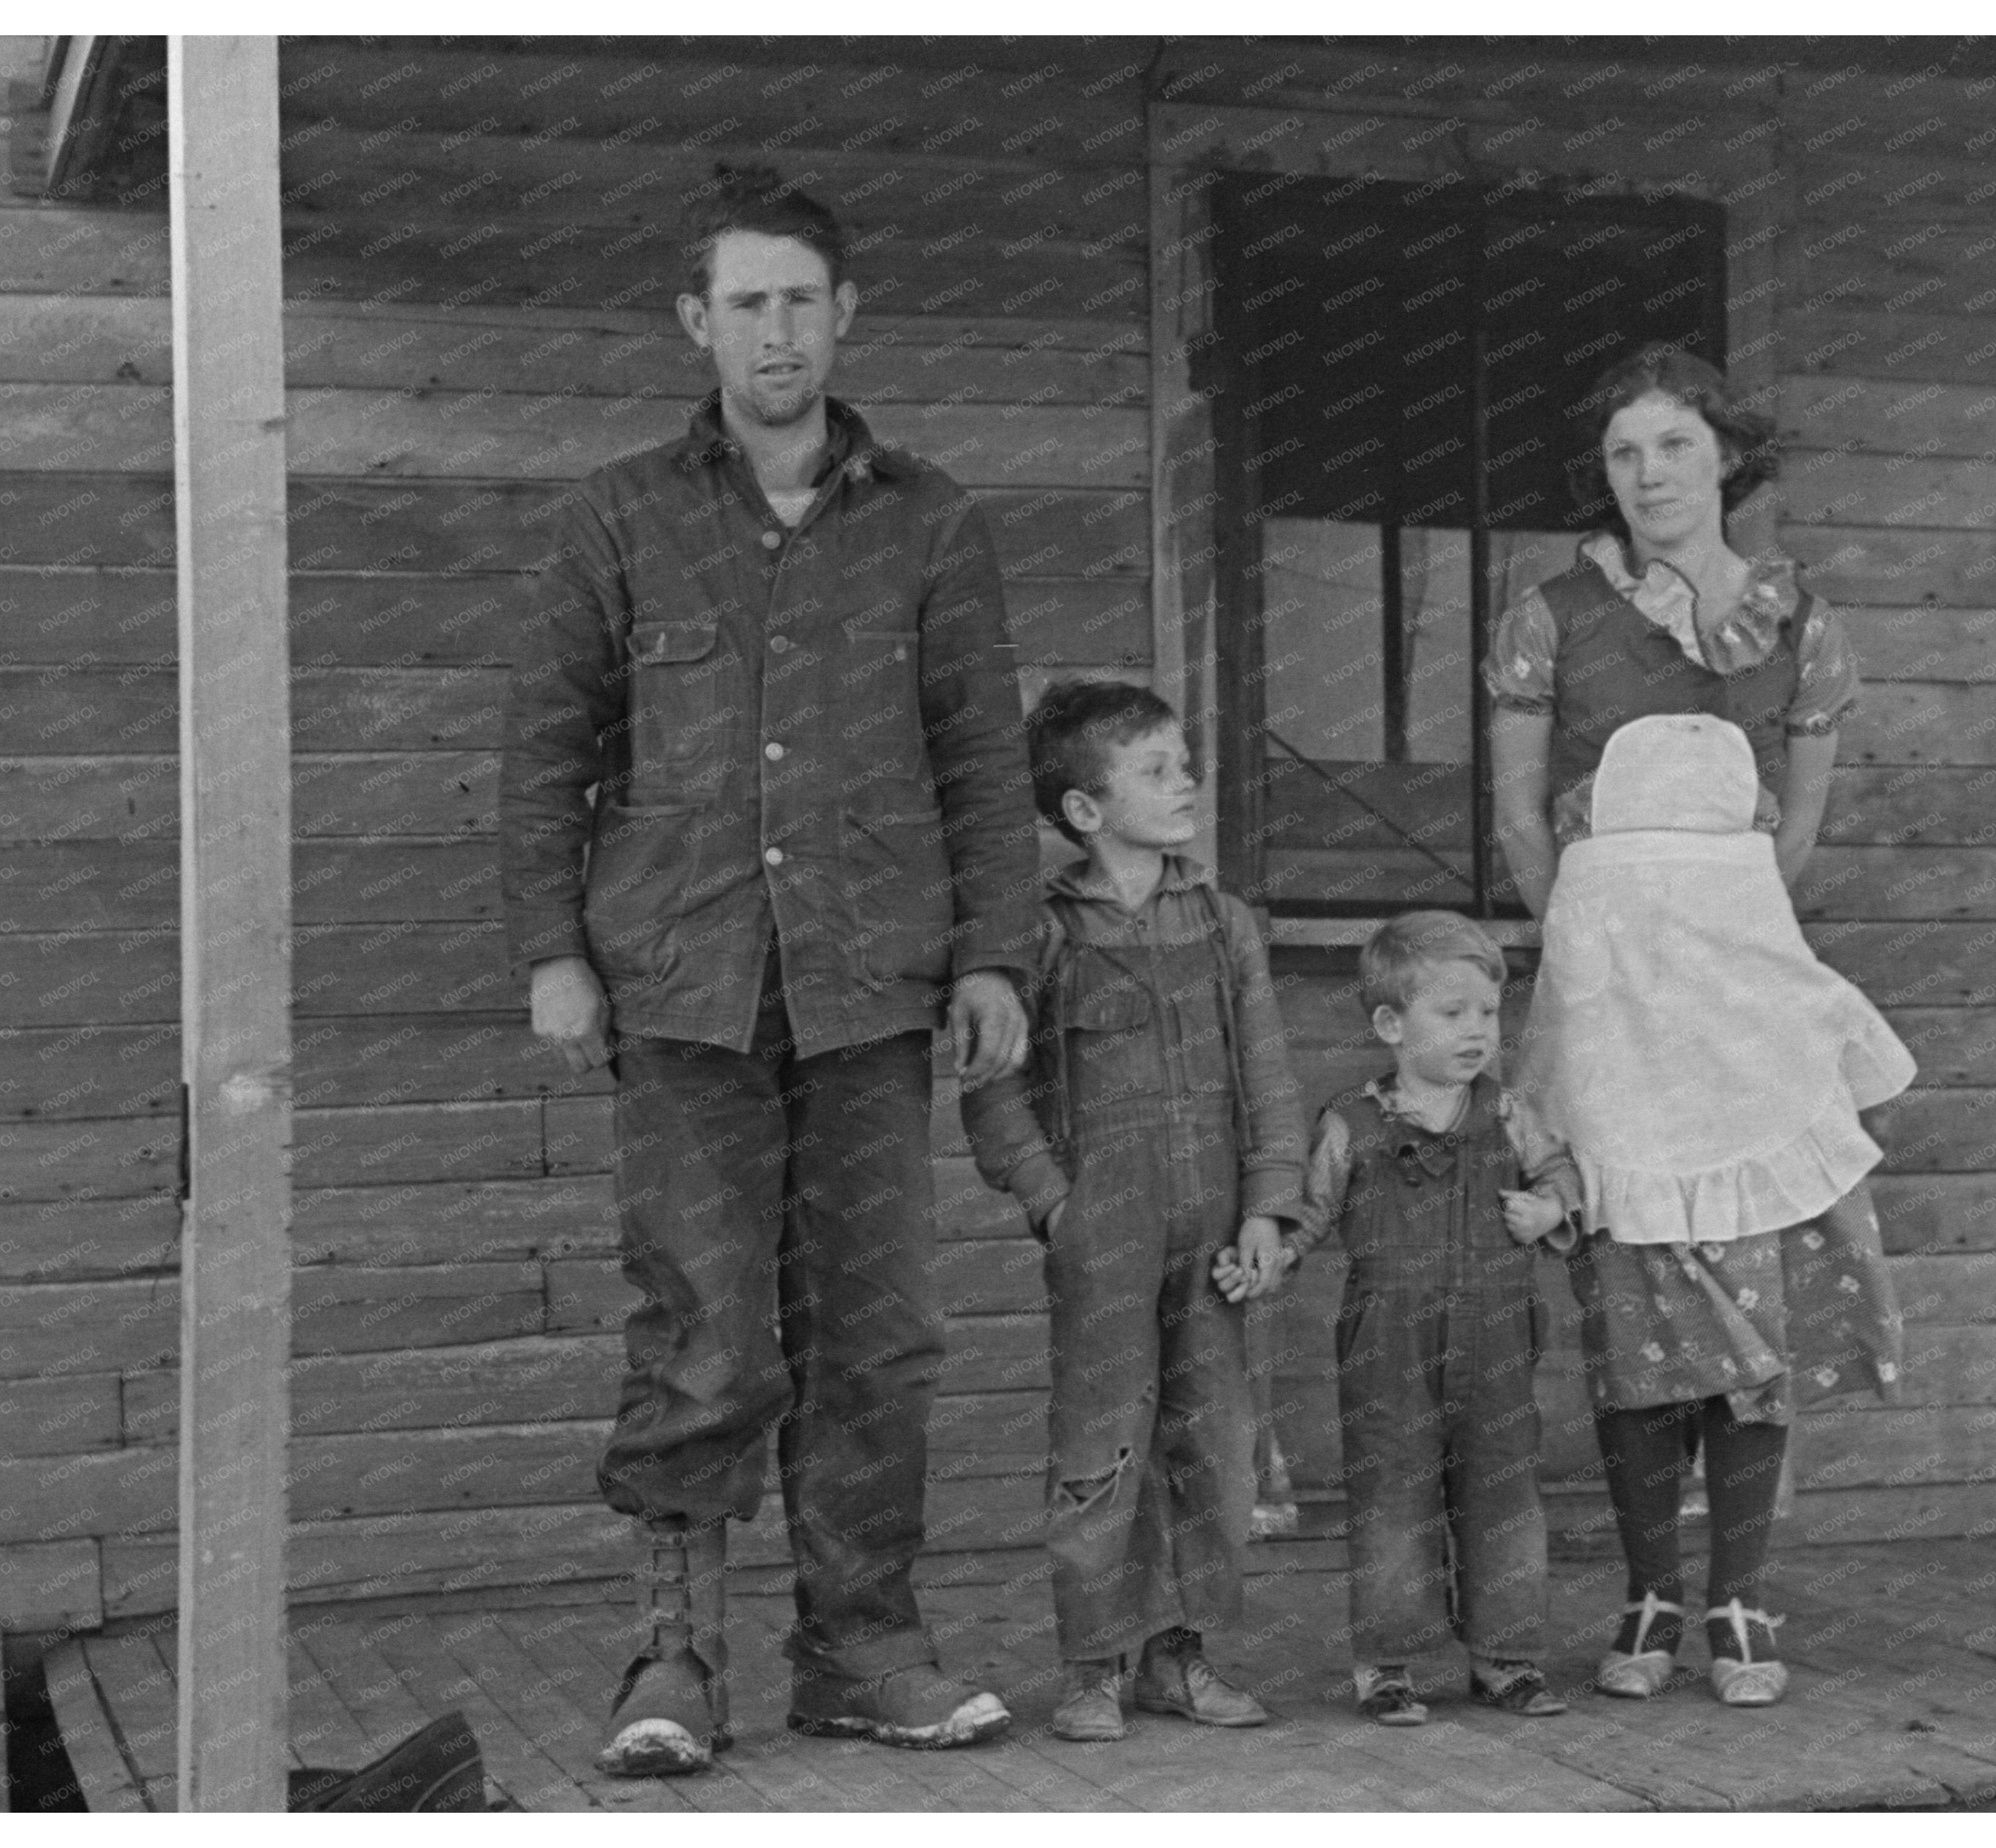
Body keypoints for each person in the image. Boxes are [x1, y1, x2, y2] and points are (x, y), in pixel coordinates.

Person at [500, 167, 1042, 1772]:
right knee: (705, 1325)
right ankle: (674, 1658)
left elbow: (981, 763)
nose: (777, 331)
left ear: (845, 315)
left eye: (802, 299)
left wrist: (995, 954)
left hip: (874, 986)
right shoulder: (620, 515)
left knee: (878, 1334)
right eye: (746, 302)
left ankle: (861, 1645)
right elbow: (546, 753)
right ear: (698, 324)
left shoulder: (929, 521)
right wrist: (551, 950)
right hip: (681, 985)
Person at [1515, 712, 1915, 1706]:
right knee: (1636, 1387)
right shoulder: (1592, 873)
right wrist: (1564, 1133)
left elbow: (1776, 986)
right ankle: (1650, 1591)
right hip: (1625, 1153)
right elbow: (1574, 1009)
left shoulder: (1740, 868)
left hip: (1745, 1156)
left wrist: (1807, 1076)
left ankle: (1738, 1594)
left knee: (1749, 1380)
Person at [959, 679, 1307, 1744]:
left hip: (1212, 1232)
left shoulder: (1223, 923)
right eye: (1154, 769)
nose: (1185, 780)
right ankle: (1088, 1669)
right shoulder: (1037, 934)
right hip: (1101, 1231)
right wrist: (1053, 1205)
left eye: (1183, 761)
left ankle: (1180, 1658)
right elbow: (992, 1087)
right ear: (1082, 811)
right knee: (1099, 1443)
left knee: (1210, 1441)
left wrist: (1268, 1212)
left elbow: (1267, 1075)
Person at [1284, 911, 1583, 1727]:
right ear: (1390, 1025)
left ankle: (1506, 1657)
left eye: (1488, 1013)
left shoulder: (1511, 1113)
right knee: (1391, 1497)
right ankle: (1387, 1664)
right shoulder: (1350, 1123)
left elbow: (1562, 1171)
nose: (1478, 1032)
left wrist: (1548, 1206)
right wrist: (1269, 1254)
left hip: (1496, 1337)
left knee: (1504, 1492)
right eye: (1452, 1015)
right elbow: (1308, 1214)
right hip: (1388, 1343)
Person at [1484, 340, 1861, 911]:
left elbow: (1801, 824)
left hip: (1738, 940)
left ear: (1728, 455)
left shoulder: (1806, 629)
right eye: (1624, 454)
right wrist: (1572, 944)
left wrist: (1729, 937)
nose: (1648, 475)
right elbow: (1516, 817)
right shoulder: (1546, 619)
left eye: (1675, 445)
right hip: (1596, 936)